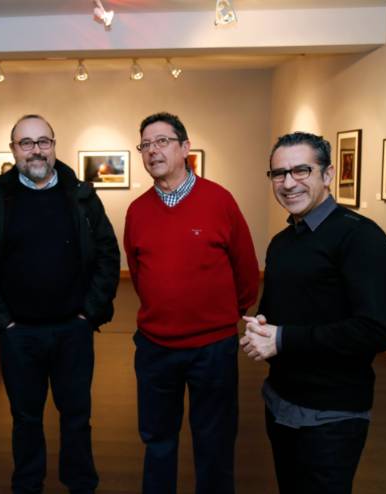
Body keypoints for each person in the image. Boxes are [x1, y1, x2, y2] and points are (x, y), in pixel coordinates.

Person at [0, 114, 120, 494]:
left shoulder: (81, 197)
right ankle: (28, 485)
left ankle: (81, 485)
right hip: (19, 334)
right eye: (26, 143)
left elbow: (108, 254)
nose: (36, 150)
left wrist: (88, 313)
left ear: (53, 145)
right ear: (13, 150)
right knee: (26, 419)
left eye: (43, 142)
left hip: (73, 331)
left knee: (77, 417)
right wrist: (2, 321)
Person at [240, 132, 386, 494]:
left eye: (301, 170)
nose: (288, 183)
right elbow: (283, 311)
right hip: (280, 402)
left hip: (332, 415)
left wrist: (283, 338)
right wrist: (263, 326)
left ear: (327, 175)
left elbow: (374, 331)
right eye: (279, 174)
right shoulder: (282, 242)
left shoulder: (362, 239)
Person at [124, 112, 259, 494]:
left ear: (185, 148)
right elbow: (138, 273)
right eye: (145, 145)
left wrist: (224, 317)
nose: (152, 151)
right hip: (155, 348)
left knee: (215, 443)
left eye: (162, 141)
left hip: (212, 349)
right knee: (157, 442)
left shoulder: (219, 200)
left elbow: (247, 271)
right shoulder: (137, 210)